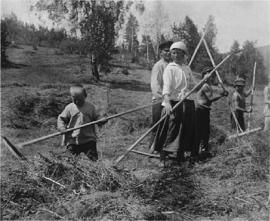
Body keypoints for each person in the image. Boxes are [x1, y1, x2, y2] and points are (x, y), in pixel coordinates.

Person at [152, 41, 199, 163]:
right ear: (171, 55)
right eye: (174, 53)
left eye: (179, 53)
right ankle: (163, 157)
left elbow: (193, 84)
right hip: (173, 102)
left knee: (186, 128)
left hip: (186, 102)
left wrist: (204, 80)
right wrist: (167, 102)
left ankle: (180, 154)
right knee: (170, 128)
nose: (176, 55)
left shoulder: (186, 68)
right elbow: (166, 87)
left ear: (184, 55)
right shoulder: (170, 68)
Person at [57, 84, 107, 161]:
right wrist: (62, 128)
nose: (77, 101)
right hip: (73, 140)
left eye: (79, 99)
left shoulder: (90, 107)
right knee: (69, 161)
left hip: (88, 140)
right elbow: (61, 119)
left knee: (93, 160)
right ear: (71, 97)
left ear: (85, 96)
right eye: (74, 99)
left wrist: (102, 120)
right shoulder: (69, 108)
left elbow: (97, 117)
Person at [196, 67, 228, 156]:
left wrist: (222, 91)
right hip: (201, 110)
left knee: (205, 131)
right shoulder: (205, 86)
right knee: (202, 131)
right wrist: (222, 95)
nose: (212, 77)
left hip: (204, 110)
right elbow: (210, 98)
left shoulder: (208, 85)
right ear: (204, 76)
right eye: (209, 75)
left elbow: (214, 93)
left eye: (212, 75)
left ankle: (203, 149)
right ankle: (200, 150)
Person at [149, 41, 173, 152]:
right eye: (166, 51)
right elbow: (155, 86)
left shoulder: (172, 66)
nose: (168, 53)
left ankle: (162, 149)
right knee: (157, 126)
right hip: (159, 101)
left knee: (167, 127)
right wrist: (164, 99)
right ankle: (151, 149)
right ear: (161, 52)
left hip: (170, 101)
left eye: (170, 51)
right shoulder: (158, 66)